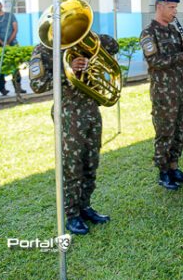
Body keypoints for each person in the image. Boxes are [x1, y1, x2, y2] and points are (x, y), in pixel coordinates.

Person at [29, 26, 119, 235]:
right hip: (68, 114)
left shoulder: (84, 41)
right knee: (72, 166)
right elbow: (37, 85)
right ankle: (72, 214)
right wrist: (67, 70)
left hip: (91, 110)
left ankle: (85, 206)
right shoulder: (44, 49)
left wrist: (87, 34)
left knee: (91, 163)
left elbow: (113, 45)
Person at [140, 0, 183, 190]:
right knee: (165, 132)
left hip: (179, 89)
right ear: (159, 7)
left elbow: (177, 53)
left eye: (175, 8)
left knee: (179, 129)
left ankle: (174, 167)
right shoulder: (148, 33)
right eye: (171, 8)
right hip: (163, 93)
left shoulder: (173, 30)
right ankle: (163, 172)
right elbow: (154, 61)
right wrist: (182, 56)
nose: (175, 11)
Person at [0, 0, 24, 95]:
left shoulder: (10, 16)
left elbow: (15, 29)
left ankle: (18, 87)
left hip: (12, 44)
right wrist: (2, 43)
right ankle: (2, 88)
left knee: (15, 66)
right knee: (0, 67)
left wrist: (8, 42)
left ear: (1, 5)